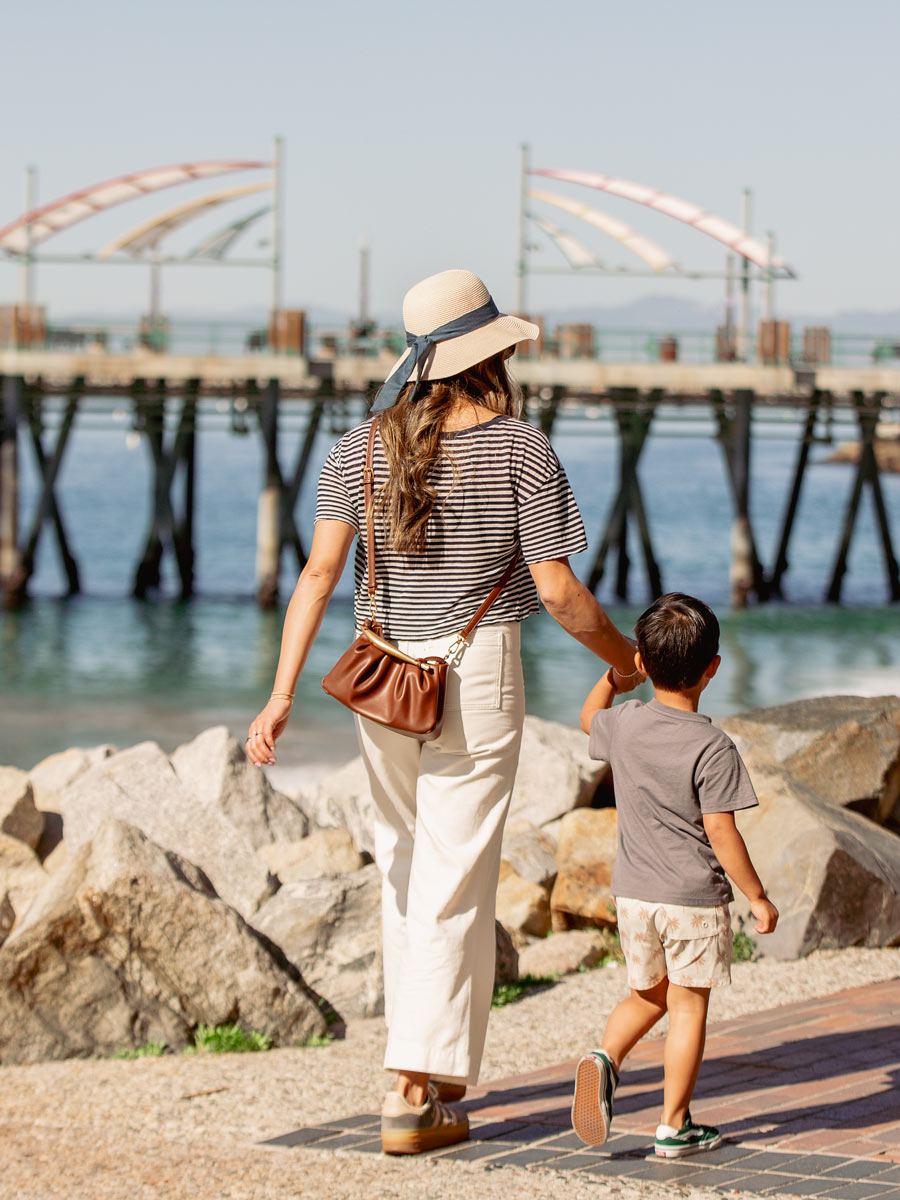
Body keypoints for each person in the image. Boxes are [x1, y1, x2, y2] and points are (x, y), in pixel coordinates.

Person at [246, 269, 641, 1154]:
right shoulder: (520, 449)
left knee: (406, 868)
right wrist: (626, 659)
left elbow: (314, 578)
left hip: (379, 678)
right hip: (477, 673)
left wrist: (277, 698)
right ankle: (409, 1087)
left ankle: (435, 1069)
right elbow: (561, 593)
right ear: (490, 354)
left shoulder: (358, 449)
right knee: (455, 878)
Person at [571, 592, 778, 1159]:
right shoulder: (713, 746)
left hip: (634, 895)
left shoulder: (627, 723)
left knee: (646, 995)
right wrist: (756, 896)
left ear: (642, 661)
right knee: (688, 1007)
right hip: (691, 900)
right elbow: (722, 832)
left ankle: (604, 1059)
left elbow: (588, 718)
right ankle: (673, 1124)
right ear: (712, 669)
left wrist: (613, 681)